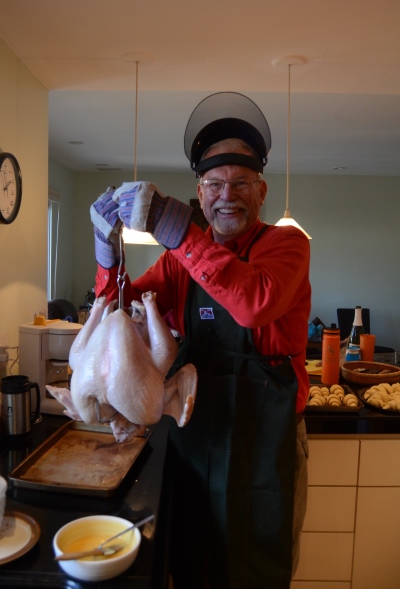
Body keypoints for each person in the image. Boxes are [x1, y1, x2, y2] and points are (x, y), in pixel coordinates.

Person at [90, 93, 311, 589]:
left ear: (261, 192)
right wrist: (108, 256)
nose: (226, 195)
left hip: (267, 443)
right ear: (200, 190)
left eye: (240, 183)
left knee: (254, 571)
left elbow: (253, 302)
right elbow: (120, 316)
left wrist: (181, 232)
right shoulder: (178, 262)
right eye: (214, 184)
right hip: (196, 437)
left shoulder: (287, 245)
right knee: (192, 562)